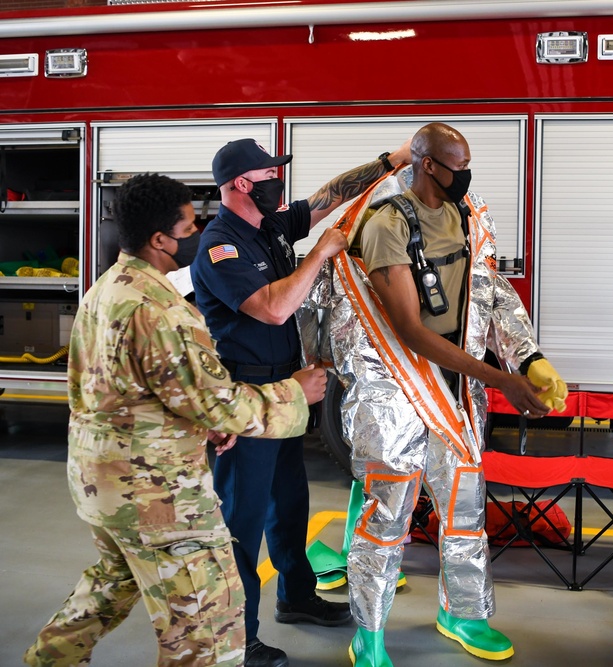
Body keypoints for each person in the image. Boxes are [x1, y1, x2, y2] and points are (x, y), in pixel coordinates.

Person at [23, 173, 328, 667]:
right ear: (160, 239)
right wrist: (296, 392)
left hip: (99, 482)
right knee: (208, 630)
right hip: (156, 495)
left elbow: (127, 389)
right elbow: (218, 401)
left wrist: (199, 426)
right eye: (188, 226)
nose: (197, 232)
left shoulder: (106, 291)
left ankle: (48, 660)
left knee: (111, 585)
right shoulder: (160, 311)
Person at [297, 122, 568, 666]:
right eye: (455, 165)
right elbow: (410, 332)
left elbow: (491, 292)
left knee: (464, 505)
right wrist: (505, 380)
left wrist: (529, 359)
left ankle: (462, 612)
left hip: (458, 385)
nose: (465, 175)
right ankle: (368, 633)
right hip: (393, 388)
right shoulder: (386, 224)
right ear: (424, 163)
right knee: (387, 515)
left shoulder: (469, 216)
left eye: (468, 164)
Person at [190, 138, 411, 667]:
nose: (278, 180)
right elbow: (272, 308)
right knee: (241, 525)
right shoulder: (221, 245)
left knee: (288, 505)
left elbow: (325, 200)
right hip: (248, 399)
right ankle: (238, 639)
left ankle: (296, 595)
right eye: (270, 172)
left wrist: (389, 162)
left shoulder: (267, 226)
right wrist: (320, 253)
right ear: (242, 183)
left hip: (286, 394)